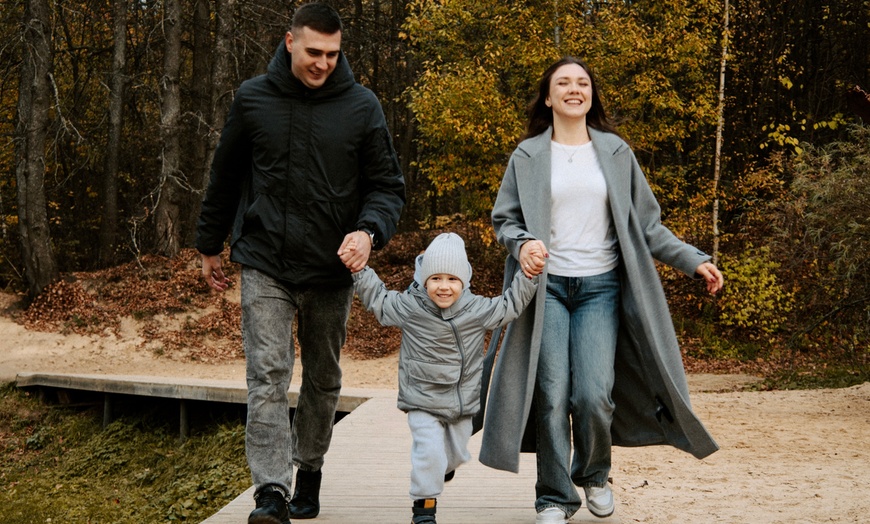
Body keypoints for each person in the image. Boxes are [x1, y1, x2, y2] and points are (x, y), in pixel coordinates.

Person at [477, 57, 724, 524]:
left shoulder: (615, 152)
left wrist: (695, 259)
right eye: (563, 83)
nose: (574, 89)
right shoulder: (527, 155)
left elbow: (648, 226)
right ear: (548, 97)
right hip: (545, 291)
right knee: (551, 395)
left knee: (593, 395)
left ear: (592, 96)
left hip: (601, 289)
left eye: (582, 83)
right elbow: (504, 221)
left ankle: (593, 473)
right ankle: (553, 497)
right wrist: (523, 242)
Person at [195, 3, 405, 523]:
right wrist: (208, 244)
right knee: (267, 375)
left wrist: (368, 231)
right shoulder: (253, 99)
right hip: (265, 260)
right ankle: (271, 491)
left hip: (332, 269)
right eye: (314, 52)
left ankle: (308, 468)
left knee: (323, 376)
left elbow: (387, 187)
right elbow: (225, 175)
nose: (323, 63)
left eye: (333, 54)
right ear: (290, 42)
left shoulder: (362, 106)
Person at [349, 232, 538, 524]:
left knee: (454, 455)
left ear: (464, 281)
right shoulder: (411, 307)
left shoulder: (476, 310)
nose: (444, 287)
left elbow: (509, 306)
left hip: (461, 402)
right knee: (429, 451)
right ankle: (424, 510)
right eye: (436, 278)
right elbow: (379, 300)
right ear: (424, 279)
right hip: (421, 399)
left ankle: (443, 467)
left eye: (452, 279)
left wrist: (528, 277)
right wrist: (360, 271)